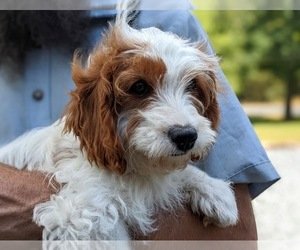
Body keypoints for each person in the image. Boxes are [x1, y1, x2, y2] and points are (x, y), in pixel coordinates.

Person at [0, 0, 279, 241]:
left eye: (191, 88)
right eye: (140, 89)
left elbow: (238, 234)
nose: (182, 119)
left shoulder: (165, 17)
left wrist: (190, 179)